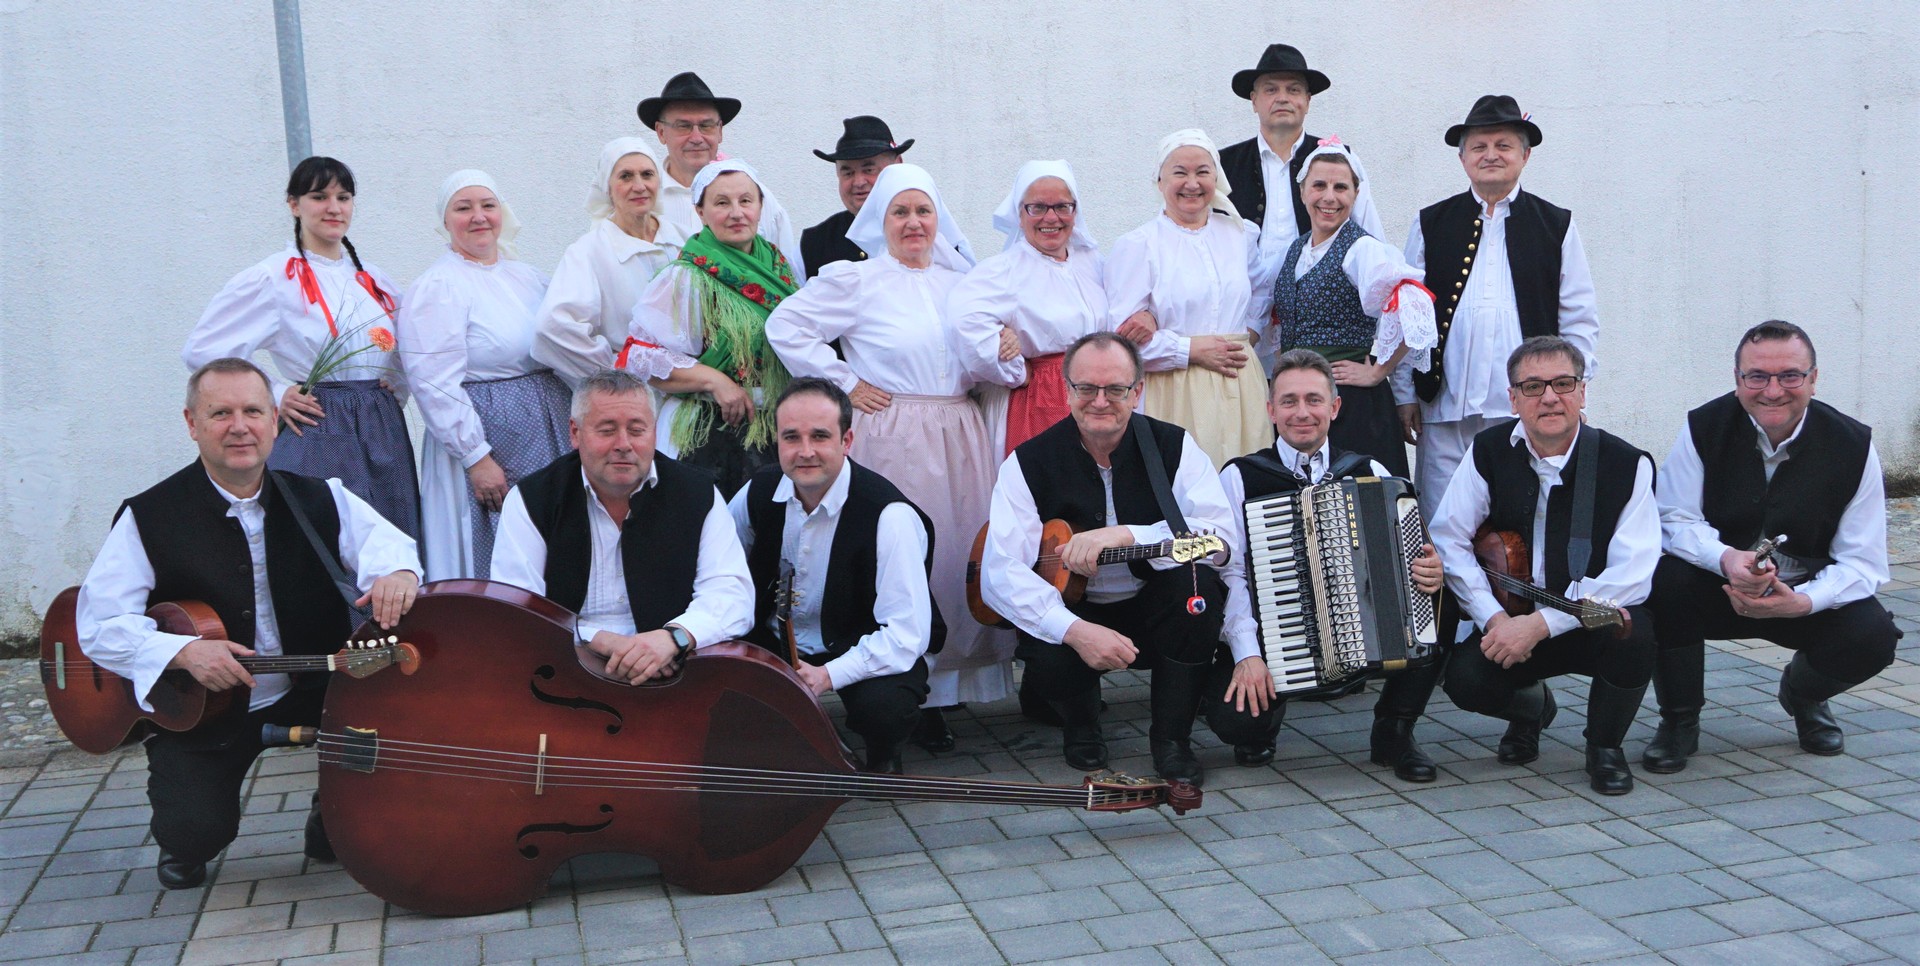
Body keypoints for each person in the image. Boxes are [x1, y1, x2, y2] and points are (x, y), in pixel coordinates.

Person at [76, 358, 420, 889]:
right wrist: (181, 653)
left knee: (392, 724)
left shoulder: (319, 495)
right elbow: (98, 623)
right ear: (192, 423)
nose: (240, 426)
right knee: (195, 833)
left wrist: (398, 571)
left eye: (253, 411)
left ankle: (331, 814)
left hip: (315, 690)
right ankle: (186, 830)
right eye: (221, 413)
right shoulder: (149, 516)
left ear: (274, 422)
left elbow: (386, 543)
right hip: (204, 708)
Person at [766, 163, 1005, 746]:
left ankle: (943, 688)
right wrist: (843, 383)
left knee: (955, 555)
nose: (914, 223)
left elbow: (982, 351)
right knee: (905, 558)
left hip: (959, 427)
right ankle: (907, 687)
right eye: (900, 212)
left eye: (923, 211)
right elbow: (787, 324)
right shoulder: (858, 279)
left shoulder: (962, 282)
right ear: (881, 220)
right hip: (894, 431)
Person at [981, 332, 1235, 785]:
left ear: (1137, 391)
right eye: (1086, 388)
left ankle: (1171, 741)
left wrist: (1127, 534)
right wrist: (1074, 631)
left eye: (1116, 389)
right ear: (1066, 390)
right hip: (1075, 611)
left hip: (1150, 605)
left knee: (1197, 594)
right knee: (1046, 640)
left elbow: (1218, 542)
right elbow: (1000, 573)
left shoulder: (1174, 447)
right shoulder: (1028, 462)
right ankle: (1080, 728)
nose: (1100, 401)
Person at [1645, 320, 1900, 769]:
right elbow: (1672, 518)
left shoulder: (1854, 445)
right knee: (1664, 583)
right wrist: (1725, 558)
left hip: (1802, 596)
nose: (1773, 390)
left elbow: (1863, 563)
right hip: (1718, 588)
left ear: (1814, 379)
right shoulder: (1703, 427)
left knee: (1874, 635)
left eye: (1790, 375)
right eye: (1757, 376)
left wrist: (1802, 602)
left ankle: (1803, 694)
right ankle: (1679, 721)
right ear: (1738, 379)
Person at [1431, 336, 1657, 794]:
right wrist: (1493, 619)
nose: (1549, 396)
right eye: (1532, 386)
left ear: (1582, 391)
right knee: (1464, 679)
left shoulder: (1627, 463)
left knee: (1636, 631)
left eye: (1562, 383)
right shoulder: (1488, 451)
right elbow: (1448, 538)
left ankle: (1604, 747)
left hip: (1583, 618)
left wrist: (1542, 626)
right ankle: (1532, 710)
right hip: (1509, 616)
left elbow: (1633, 574)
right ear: (1513, 398)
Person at [1213, 350, 1447, 779]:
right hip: (1272, 637)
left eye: (1314, 400)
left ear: (1335, 407)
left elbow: (1409, 561)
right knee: (1236, 722)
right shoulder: (1240, 477)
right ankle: (1262, 726)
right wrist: (1247, 654)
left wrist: (1430, 573)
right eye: (1289, 401)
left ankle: (1394, 732)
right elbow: (1231, 574)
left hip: (1361, 637)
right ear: (1271, 410)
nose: (1302, 412)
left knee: (1435, 621)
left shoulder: (1370, 471)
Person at [182, 156, 419, 539]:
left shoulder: (373, 279)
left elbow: (404, 346)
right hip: (322, 421)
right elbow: (203, 349)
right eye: (318, 196)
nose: (333, 208)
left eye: (343, 197)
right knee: (331, 534)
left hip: (380, 425)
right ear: (294, 205)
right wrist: (277, 394)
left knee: (390, 530)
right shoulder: (274, 278)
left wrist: (394, 388)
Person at [1398, 96, 1598, 527]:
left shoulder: (1555, 224)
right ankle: (1446, 598)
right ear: (1463, 157)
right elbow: (1406, 314)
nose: (1491, 155)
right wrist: (1404, 394)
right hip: (1445, 406)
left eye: (1504, 145)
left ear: (1525, 155)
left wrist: (1572, 390)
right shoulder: (1432, 222)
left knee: (1520, 523)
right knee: (1441, 522)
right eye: (1479, 146)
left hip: (1524, 408)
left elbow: (1578, 317)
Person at [491, 369, 753, 684]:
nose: (623, 444)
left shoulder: (697, 493)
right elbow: (518, 607)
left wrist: (674, 638)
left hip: (674, 675)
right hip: (563, 672)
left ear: (654, 432)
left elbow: (732, 593)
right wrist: (595, 638)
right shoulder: (532, 499)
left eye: (637, 429)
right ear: (575, 433)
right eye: (607, 430)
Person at [729, 379, 940, 773]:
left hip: (860, 640)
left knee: (885, 709)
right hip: (776, 639)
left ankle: (882, 752)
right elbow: (722, 576)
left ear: (847, 440)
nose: (805, 451)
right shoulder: (758, 491)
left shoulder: (890, 515)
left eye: (820, 436)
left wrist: (828, 675)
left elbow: (906, 633)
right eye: (791, 437)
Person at [402, 169, 570, 580]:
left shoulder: (526, 277)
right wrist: (476, 457)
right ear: (445, 221)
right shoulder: (439, 286)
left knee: (549, 535)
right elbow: (433, 380)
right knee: (498, 538)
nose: (478, 217)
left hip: (546, 428)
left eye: (488, 205)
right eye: (464, 208)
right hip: (488, 439)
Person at [623, 159, 800, 495]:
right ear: (700, 212)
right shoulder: (687, 277)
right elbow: (640, 357)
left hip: (774, 432)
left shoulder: (780, 268)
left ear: (760, 206)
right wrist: (715, 380)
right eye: (721, 203)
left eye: (746, 201)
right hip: (706, 436)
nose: (736, 213)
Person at [1104, 129, 1268, 471]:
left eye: (1202, 172)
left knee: (1247, 483)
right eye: (1180, 172)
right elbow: (1124, 345)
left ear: (1216, 177)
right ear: (1160, 180)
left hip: (1239, 382)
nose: (1191, 183)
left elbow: (1261, 293)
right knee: (1186, 485)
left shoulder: (1241, 234)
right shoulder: (1139, 245)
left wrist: (1247, 336)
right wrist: (1190, 350)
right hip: (1174, 388)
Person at [1269, 141, 1435, 478]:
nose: (1329, 197)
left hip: (1353, 404)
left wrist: (1378, 371)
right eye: (1319, 185)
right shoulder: (1297, 250)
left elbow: (1413, 306)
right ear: (1302, 192)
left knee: (1360, 501)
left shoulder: (1361, 249)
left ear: (1355, 194)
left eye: (1340, 187)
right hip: (1302, 403)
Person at [1217, 43, 1385, 372]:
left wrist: (1378, 360)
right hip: (1243, 329)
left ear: (1308, 101)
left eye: (1294, 89)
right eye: (1271, 89)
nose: (1282, 97)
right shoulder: (1223, 165)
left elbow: (1373, 246)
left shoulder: (1340, 160)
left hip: (1322, 334)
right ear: (1254, 100)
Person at [949, 159, 1112, 457]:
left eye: (1062, 206)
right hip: (1041, 398)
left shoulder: (1092, 263)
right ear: (1019, 213)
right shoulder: (1004, 270)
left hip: (1099, 393)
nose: (1051, 217)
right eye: (1037, 207)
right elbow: (964, 323)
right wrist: (1014, 370)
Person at [532, 138, 690, 387]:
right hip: (635, 397)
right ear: (608, 188)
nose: (639, 186)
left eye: (647, 174)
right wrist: (618, 371)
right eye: (626, 176)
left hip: (694, 386)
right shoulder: (589, 251)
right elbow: (553, 327)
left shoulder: (684, 240)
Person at [637, 71, 805, 279]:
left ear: (720, 132)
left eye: (706, 125)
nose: (697, 137)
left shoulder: (759, 198)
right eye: (684, 126)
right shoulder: (643, 201)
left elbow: (787, 275)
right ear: (661, 132)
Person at [799, 115, 909, 279]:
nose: (858, 182)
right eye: (848, 172)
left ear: (897, 165)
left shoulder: (927, 234)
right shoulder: (814, 244)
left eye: (869, 169)